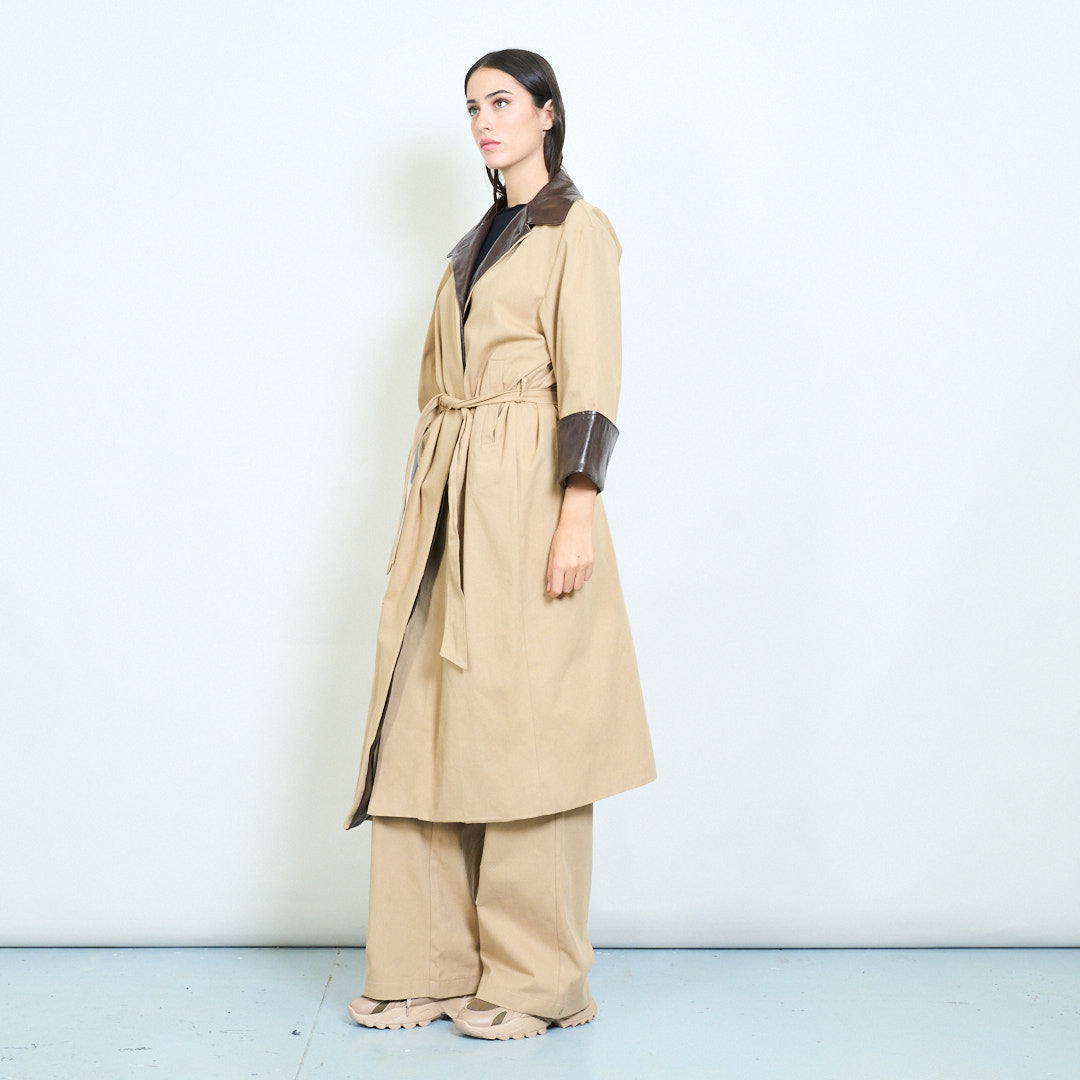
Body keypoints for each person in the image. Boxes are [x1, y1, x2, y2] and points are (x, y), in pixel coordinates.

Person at [344, 48, 656, 1041]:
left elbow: (593, 378)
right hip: (451, 502)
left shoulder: (577, 232)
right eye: (473, 105)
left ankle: (538, 980)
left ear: (547, 114)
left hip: (526, 498)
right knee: (426, 720)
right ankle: (427, 963)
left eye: (504, 101)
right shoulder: (473, 243)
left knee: (529, 734)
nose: (484, 119)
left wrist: (577, 510)